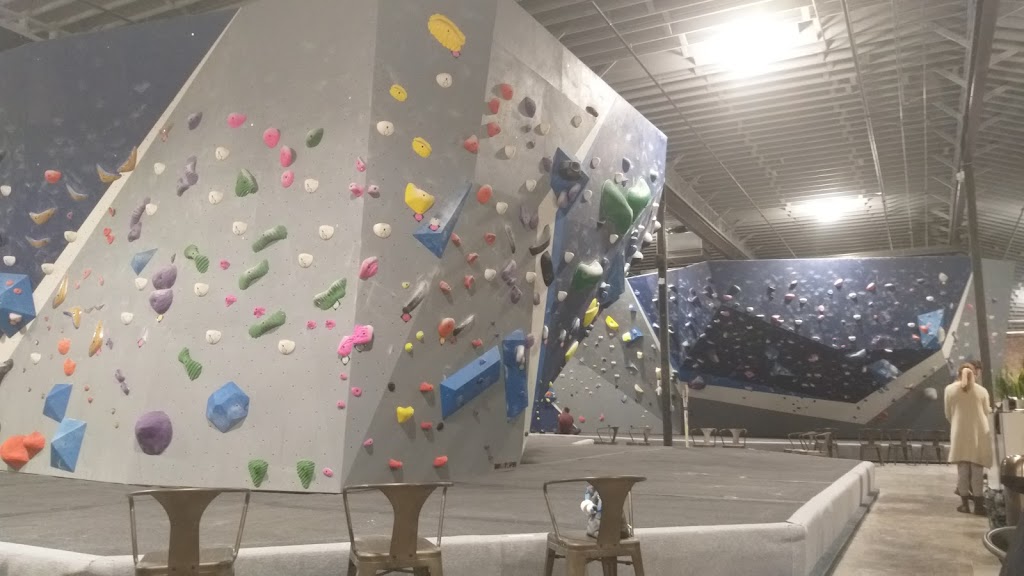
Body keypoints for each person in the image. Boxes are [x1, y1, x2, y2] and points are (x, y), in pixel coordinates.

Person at [944, 360, 993, 515]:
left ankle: (965, 505)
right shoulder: (982, 391)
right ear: (974, 374)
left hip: (959, 433)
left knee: (962, 470)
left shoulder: (949, 389)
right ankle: (979, 506)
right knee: (977, 470)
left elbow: (948, 413)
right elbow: (987, 411)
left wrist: (957, 423)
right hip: (979, 432)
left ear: (959, 374)